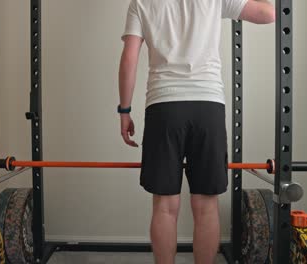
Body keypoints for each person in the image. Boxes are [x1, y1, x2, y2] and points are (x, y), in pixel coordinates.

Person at [118, 0, 275, 263]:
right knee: (206, 207)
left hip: (164, 107)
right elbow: (269, 13)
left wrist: (124, 111)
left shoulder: (141, 3)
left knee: (165, 207)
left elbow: (129, 58)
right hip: (207, 107)